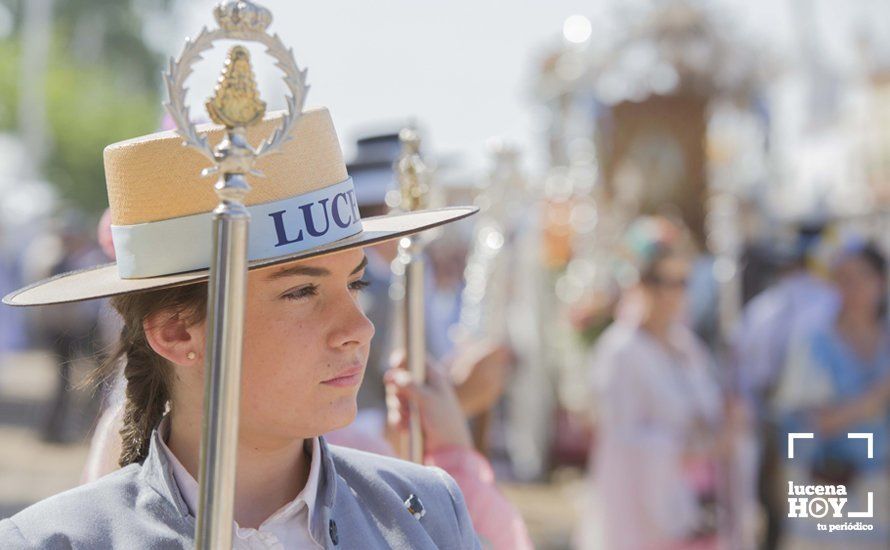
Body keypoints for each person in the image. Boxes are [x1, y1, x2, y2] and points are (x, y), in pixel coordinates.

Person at [0, 108, 482, 548]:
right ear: (175, 331)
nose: (358, 328)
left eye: (355, 284)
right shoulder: (53, 541)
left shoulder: (428, 516)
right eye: (301, 292)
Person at [583, 217, 733, 550]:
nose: (672, 292)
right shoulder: (620, 351)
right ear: (639, 283)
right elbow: (620, 439)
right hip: (644, 518)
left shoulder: (688, 347)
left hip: (699, 507)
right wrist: (684, 446)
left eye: (682, 281)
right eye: (661, 280)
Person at [773, 241, 890, 549]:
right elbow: (804, 425)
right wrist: (873, 399)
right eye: (843, 279)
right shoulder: (814, 341)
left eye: (860, 277)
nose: (851, 289)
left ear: (881, 280)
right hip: (826, 488)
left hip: (880, 490)